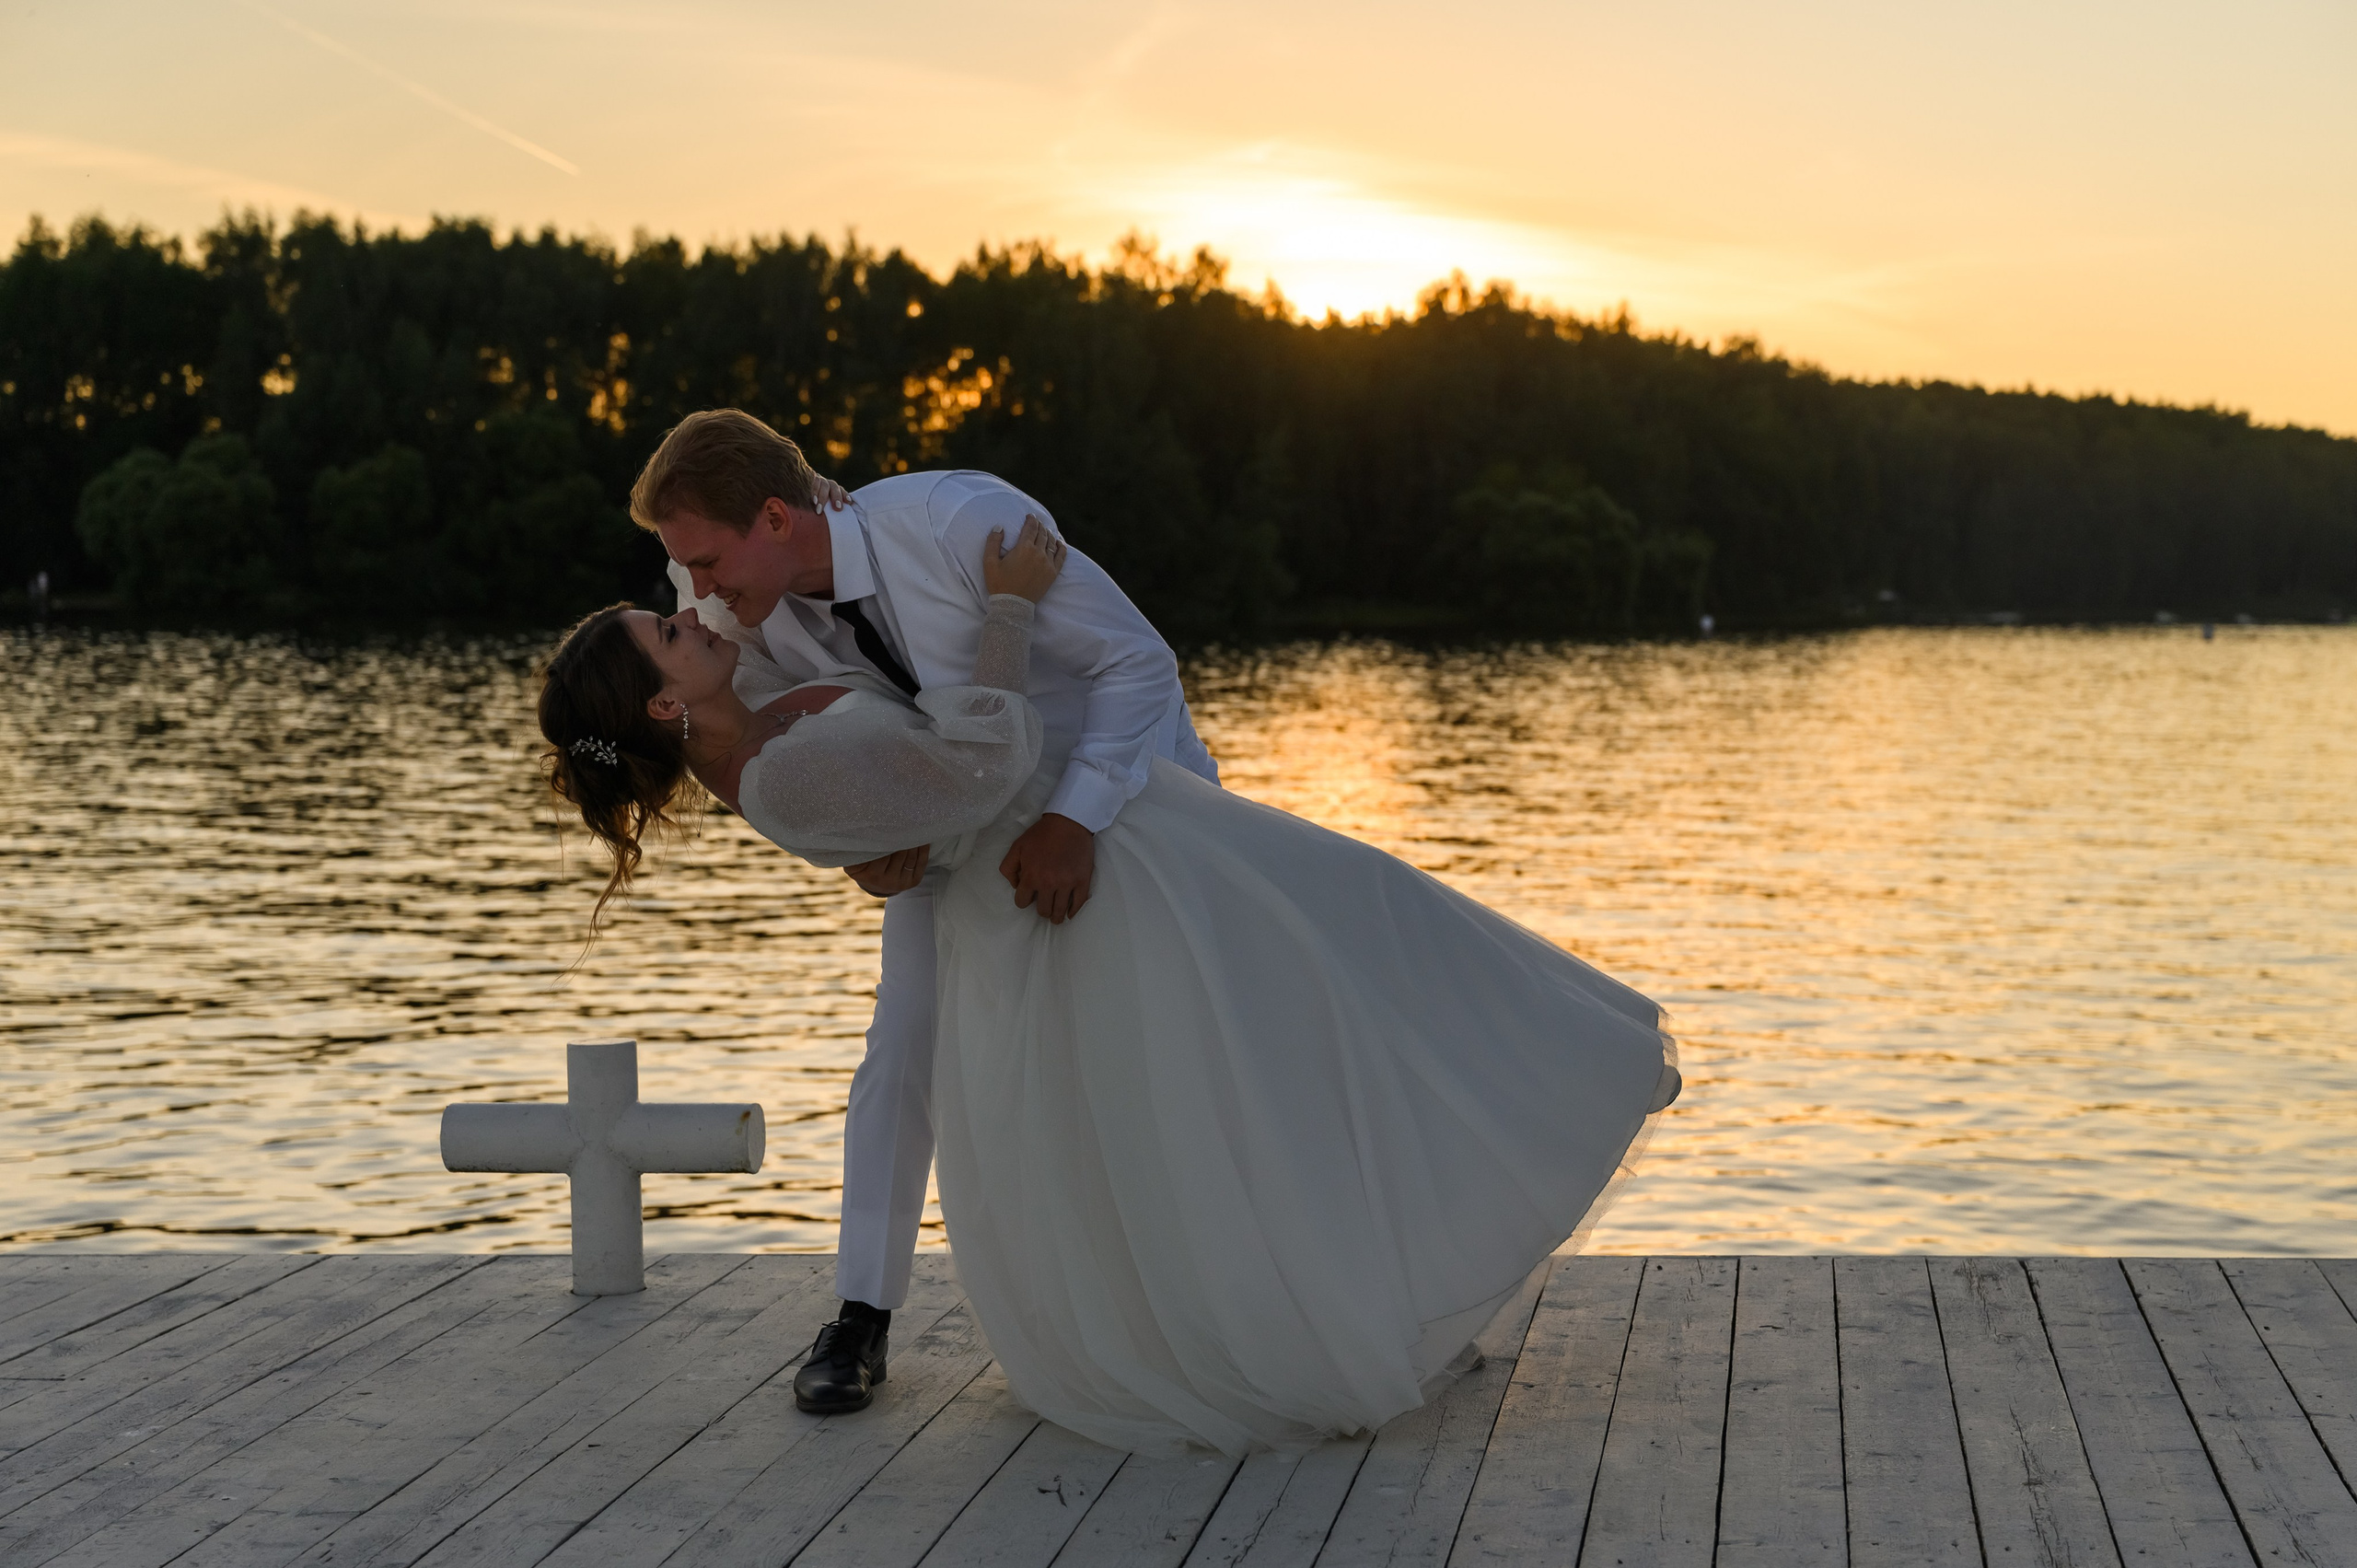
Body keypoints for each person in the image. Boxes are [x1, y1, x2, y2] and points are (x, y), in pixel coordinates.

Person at [539, 417, 1680, 1453]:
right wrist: (852, 846)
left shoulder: (964, 525)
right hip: (954, 842)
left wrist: (1075, 819)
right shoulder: (724, 599)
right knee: (909, 1044)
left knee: (1258, 1026)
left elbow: (1136, 664)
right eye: (685, 572)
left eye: (705, 562)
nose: (693, 589)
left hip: (1120, 801)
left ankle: (1398, 1272)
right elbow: (728, 747)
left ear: (775, 519)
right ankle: (862, 1312)